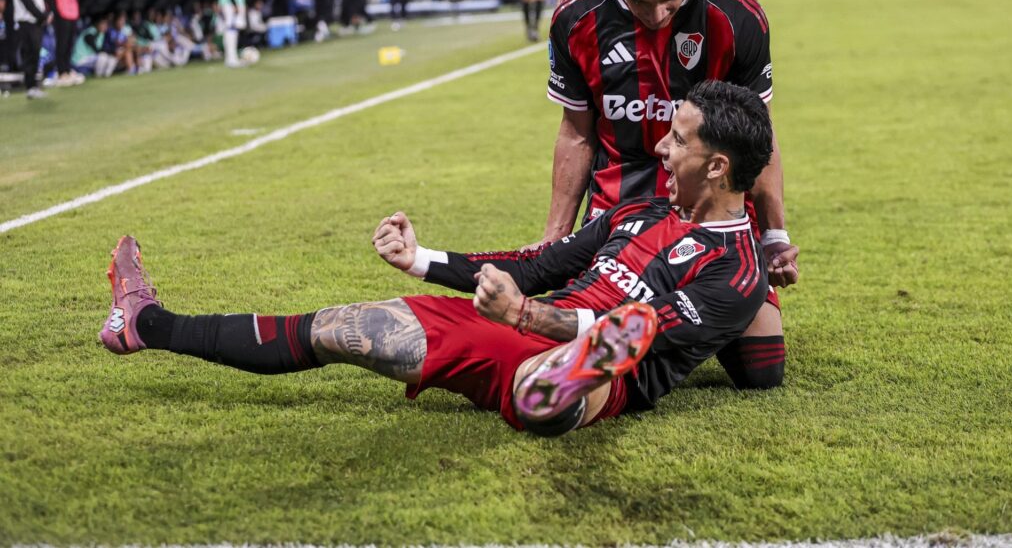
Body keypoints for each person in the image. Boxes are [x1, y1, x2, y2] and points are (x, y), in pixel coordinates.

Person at [100, 80, 772, 436]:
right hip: (522, 323)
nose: (659, 147)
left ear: (716, 166)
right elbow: (532, 265)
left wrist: (531, 316)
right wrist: (419, 258)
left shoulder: (739, 274)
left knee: (609, 353)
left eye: (676, 140)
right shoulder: (639, 210)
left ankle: (554, 391)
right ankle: (146, 323)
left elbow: (650, 328)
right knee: (343, 327)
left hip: (599, 369)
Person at [540, 0, 798, 390]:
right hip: (620, 208)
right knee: (569, 336)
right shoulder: (576, 17)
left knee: (761, 370)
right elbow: (576, 135)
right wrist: (556, 236)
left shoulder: (735, 15)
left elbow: (757, 137)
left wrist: (774, 236)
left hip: (713, 217)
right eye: (641, 0)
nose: (657, 15)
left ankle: (636, 332)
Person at [11, 0, 49, 99]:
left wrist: (43, 16)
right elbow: (28, 3)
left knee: (35, 54)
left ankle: (34, 85)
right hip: (26, 23)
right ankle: (30, 87)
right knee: (29, 55)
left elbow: (39, 1)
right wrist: (43, 16)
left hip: (35, 23)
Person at [44, 0, 85, 87]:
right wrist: (53, 12)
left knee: (69, 43)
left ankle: (67, 69)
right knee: (61, 44)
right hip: (60, 13)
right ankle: (61, 72)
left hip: (72, 12)